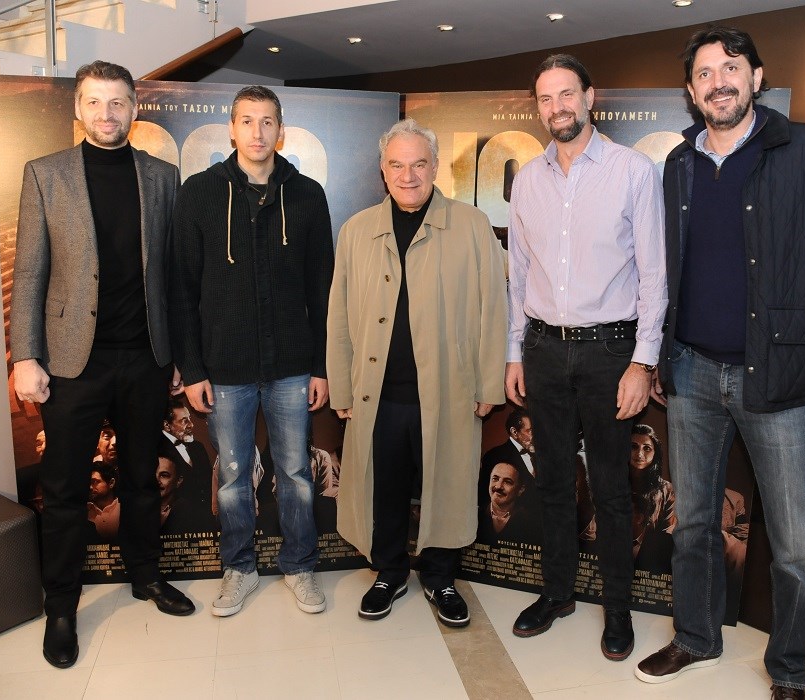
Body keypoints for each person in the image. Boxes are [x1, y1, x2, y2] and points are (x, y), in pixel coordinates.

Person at [635, 27, 805, 700]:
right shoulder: (678, 164)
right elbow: (667, 269)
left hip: (782, 376)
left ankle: (790, 671)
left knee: (797, 546)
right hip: (691, 372)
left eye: (730, 67)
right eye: (705, 73)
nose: (719, 82)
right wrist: (658, 356)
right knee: (692, 525)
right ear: (690, 91)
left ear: (756, 77)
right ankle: (695, 636)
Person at [9, 60, 195, 669]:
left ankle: (145, 575)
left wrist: (176, 353)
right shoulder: (45, 174)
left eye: (117, 102)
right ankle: (61, 607)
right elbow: (30, 273)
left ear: (134, 108)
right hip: (71, 363)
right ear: (78, 108)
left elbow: (173, 274)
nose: (106, 113)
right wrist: (26, 356)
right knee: (63, 489)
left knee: (141, 478)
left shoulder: (162, 176)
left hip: (145, 357)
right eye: (95, 101)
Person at [505, 54, 666, 661]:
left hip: (610, 353)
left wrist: (642, 362)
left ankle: (617, 610)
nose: (557, 108)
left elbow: (654, 275)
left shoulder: (632, 171)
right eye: (546, 99)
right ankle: (557, 594)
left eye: (567, 94)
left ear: (590, 97)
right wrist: (514, 353)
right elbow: (519, 275)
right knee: (551, 480)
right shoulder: (528, 180)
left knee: (610, 487)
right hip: (543, 349)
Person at [327, 118, 507, 628]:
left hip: (449, 390)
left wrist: (489, 382)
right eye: (397, 165)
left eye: (419, 164)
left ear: (435, 167)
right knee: (383, 487)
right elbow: (338, 314)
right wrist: (341, 386)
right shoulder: (357, 230)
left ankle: (440, 577)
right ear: (383, 171)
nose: (408, 176)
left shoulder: (472, 225)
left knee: (446, 485)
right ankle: (389, 573)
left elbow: (494, 308)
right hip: (377, 394)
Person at [170, 85, 334, 618]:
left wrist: (322, 366)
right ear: (232, 129)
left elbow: (323, 290)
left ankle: (300, 566)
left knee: (296, 474)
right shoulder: (199, 193)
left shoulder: (307, 195)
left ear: (280, 130)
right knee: (234, 476)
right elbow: (182, 289)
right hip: (224, 369)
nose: (257, 132)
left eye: (267, 122)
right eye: (247, 121)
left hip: (292, 367)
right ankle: (238, 569)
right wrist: (192, 368)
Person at [629, 424, 675, 572]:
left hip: (651, 565)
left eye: (647, 448)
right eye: (633, 446)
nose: (639, 454)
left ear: (655, 453)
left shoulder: (667, 490)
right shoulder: (612, 482)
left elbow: (667, 536)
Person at [162, 397, 213, 515]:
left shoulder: (198, 447)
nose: (191, 425)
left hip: (205, 516)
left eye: (189, 419)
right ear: (167, 425)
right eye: (184, 421)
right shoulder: (156, 452)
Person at [477, 462, 537, 544]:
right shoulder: (474, 515)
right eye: (495, 479)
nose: (498, 486)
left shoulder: (532, 523)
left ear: (520, 490)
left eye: (507, 482)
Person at [87, 461, 120, 541]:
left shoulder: (124, 509)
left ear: (111, 483)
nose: (90, 487)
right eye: (88, 482)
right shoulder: (83, 510)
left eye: (95, 482)